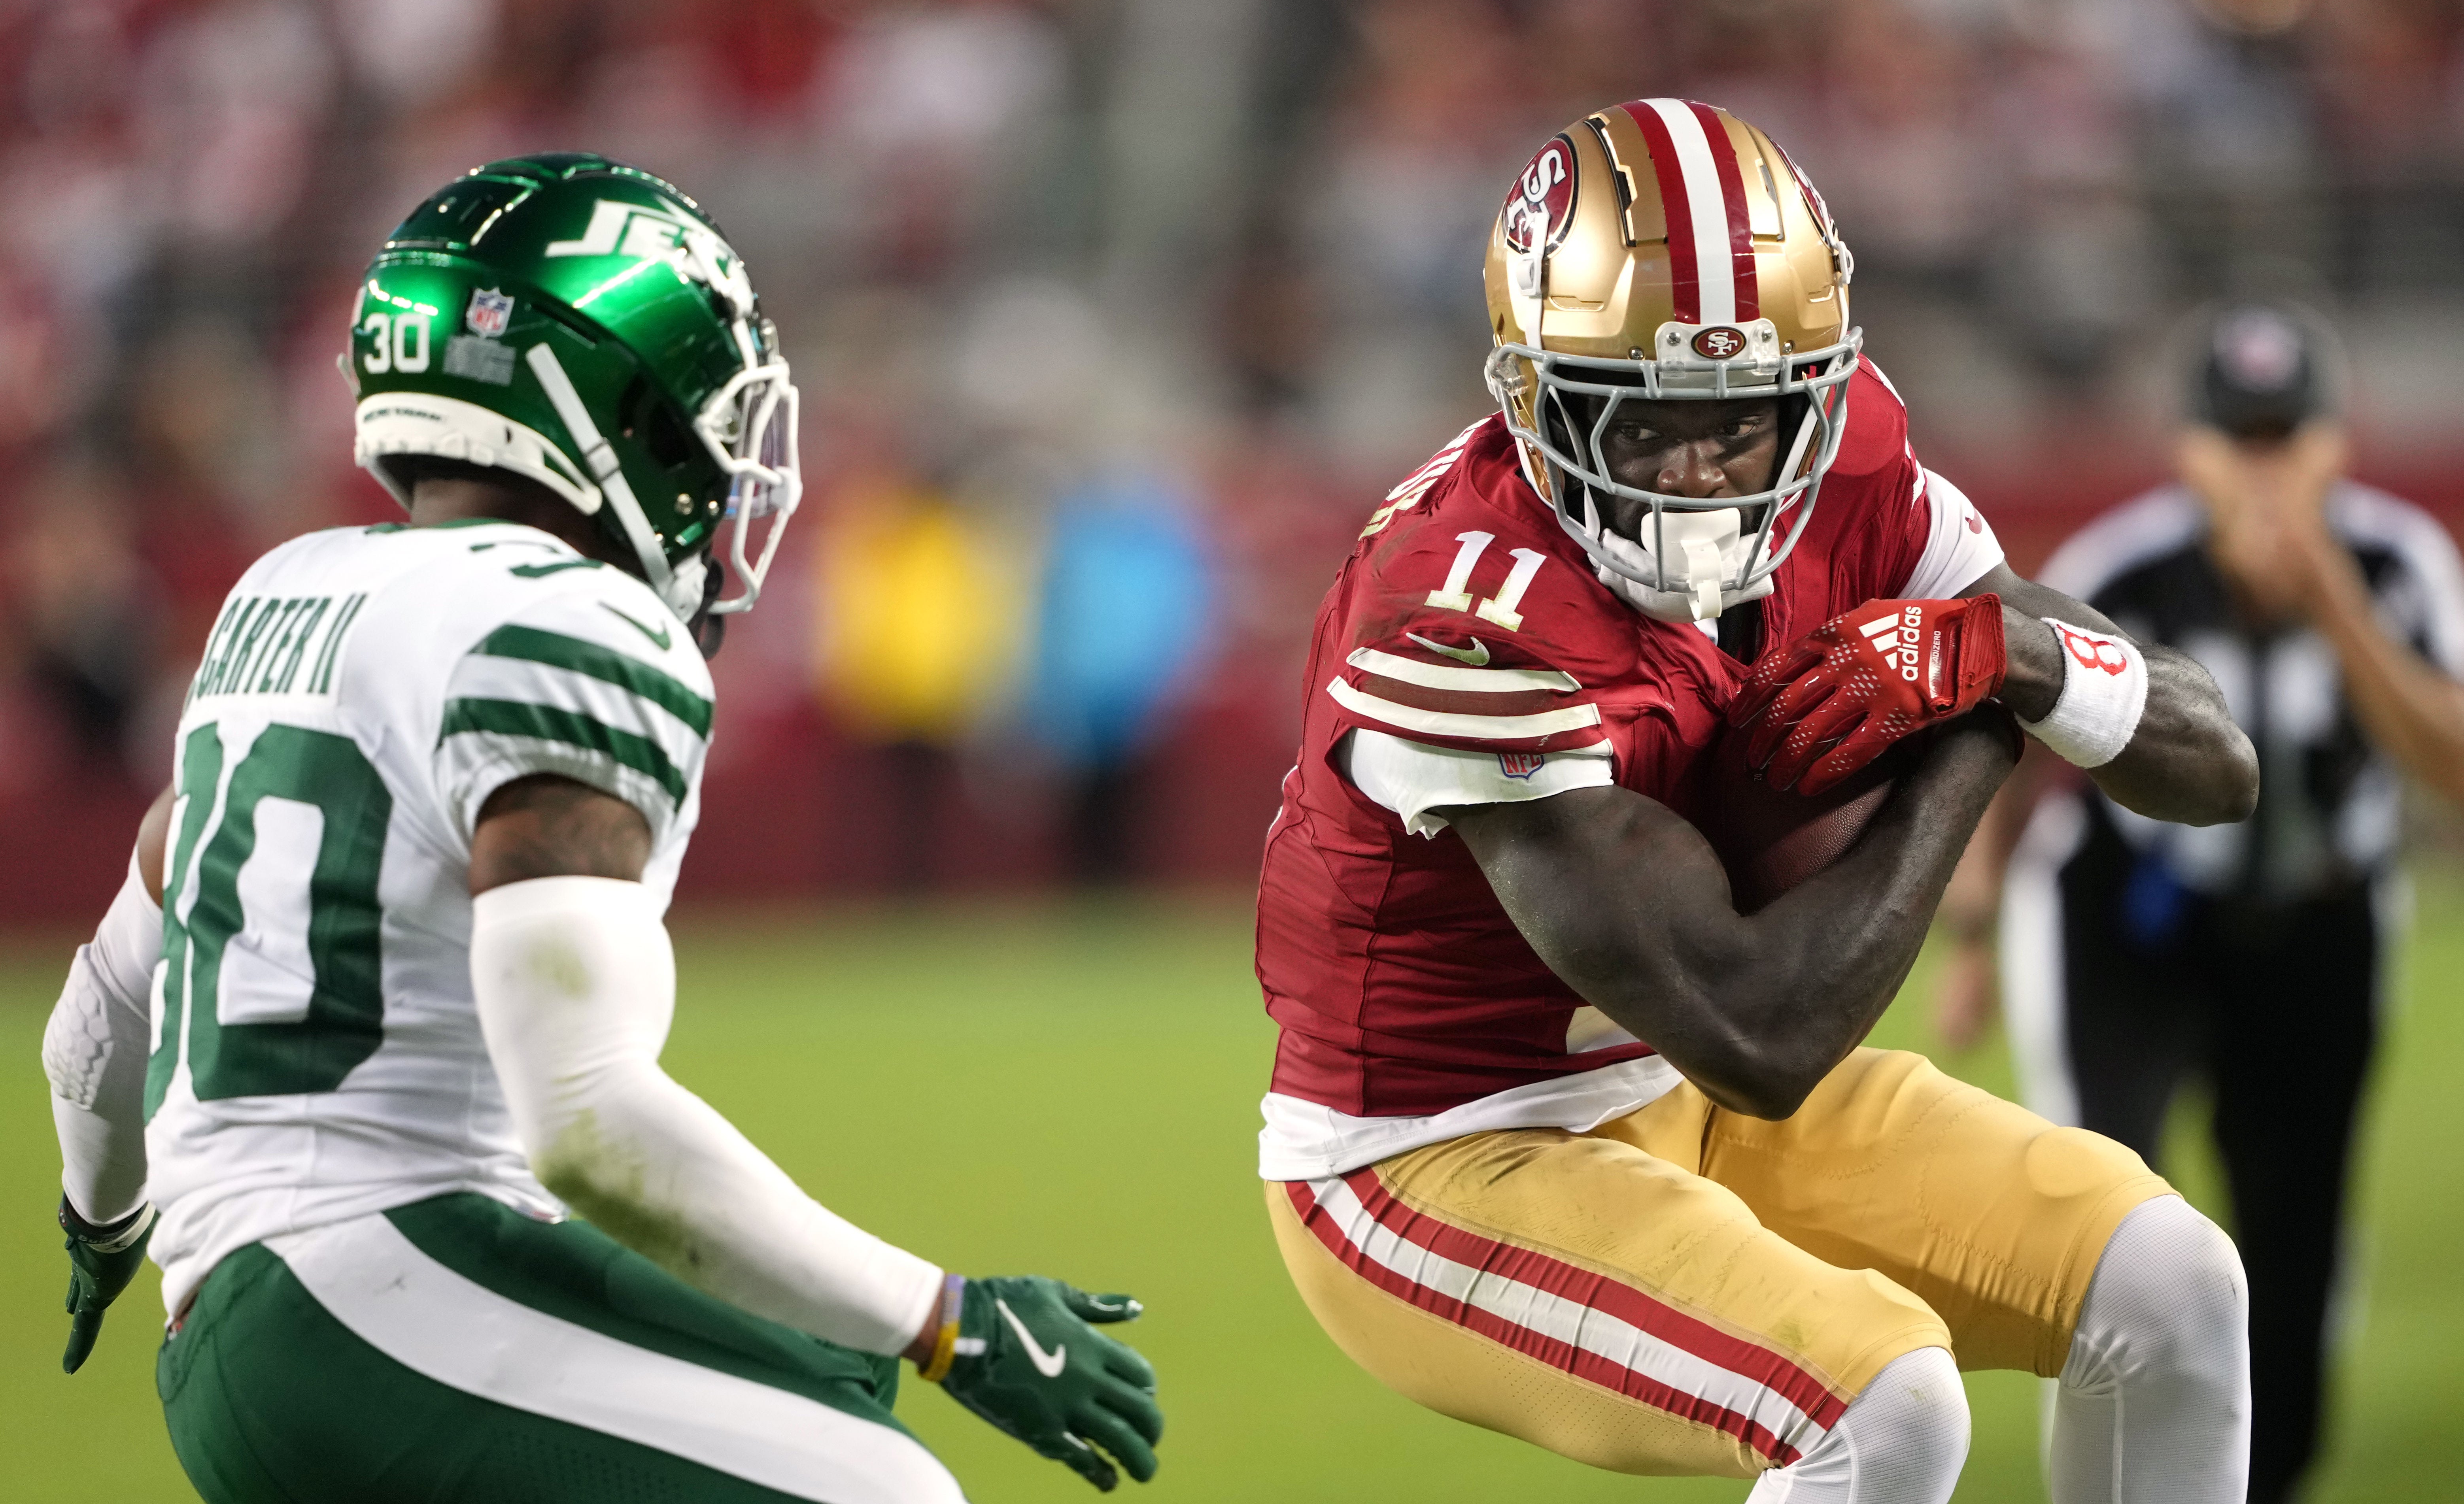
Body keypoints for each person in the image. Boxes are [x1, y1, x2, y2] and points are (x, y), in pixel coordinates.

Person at [43, 155, 1164, 1503]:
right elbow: (585, 1116)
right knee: (884, 1490)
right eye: (699, 408)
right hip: (374, 1291)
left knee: (822, 1377)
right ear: (601, 402)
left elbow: (97, 1019)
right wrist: (946, 1317)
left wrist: (104, 1221)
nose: (722, 457)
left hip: (250, 1316)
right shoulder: (564, 621)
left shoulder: (286, 592)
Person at [1250, 100, 2261, 1502]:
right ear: (1535, 398)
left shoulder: (1852, 468)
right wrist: (1980, 721)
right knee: (1884, 1407)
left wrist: (2015, 654)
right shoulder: (1460, 612)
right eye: (1640, 421)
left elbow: (2217, 764)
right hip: (1440, 1149)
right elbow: (1761, 1036)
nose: (1695, 472)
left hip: (1680, 1090)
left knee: (2176, 1286)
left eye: (1739, 420)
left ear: (1813, 392)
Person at [1934, 302, 2464, 1504]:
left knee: (2295, 1233)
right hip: (2132, 918)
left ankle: (2262, 1473)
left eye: (2288, 437)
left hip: (2320, 921)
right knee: (2104, 1208)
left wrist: (2332, 597)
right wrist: (1972, 933)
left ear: (2338, 442)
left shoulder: (2395, 563)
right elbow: (2000, 748)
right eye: (2238, 439)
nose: (2263, 469)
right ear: (2188, 449)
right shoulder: (2123, 570)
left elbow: (2449, 761)